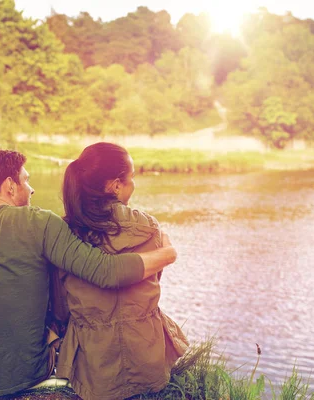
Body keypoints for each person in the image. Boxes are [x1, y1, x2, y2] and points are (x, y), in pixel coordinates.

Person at [0, 149, 178, 397]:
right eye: (26, 180)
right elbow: (106, 271)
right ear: (10, 186)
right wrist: (167, 254)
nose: (31, 189)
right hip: (31, 372)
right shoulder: (40, 222)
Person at [52, 142, 189, 400]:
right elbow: (154, 280)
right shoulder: (150, 227)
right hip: (148, 365)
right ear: (116, 185)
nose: (134, 184)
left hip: (94, 371)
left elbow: (61, 306)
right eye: (132, 177)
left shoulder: (66, 233)